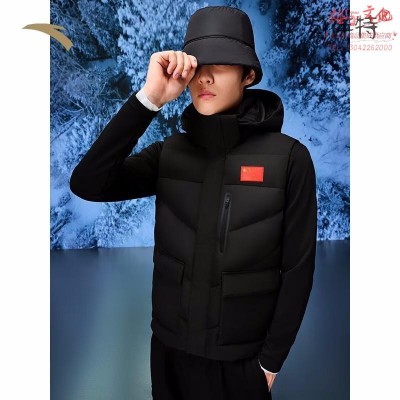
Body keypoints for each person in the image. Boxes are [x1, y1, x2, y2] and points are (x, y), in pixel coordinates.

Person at [69, 6, 317, 400]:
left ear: (248, 75)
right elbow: (88, 183)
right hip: (169, 355)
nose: (205, 77)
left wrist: (270, 363)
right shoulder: (170, 153)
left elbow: (298, 269)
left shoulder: (289, 159)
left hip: (242, 364)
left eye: (222, 64)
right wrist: (150, 99)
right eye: (198, 66)